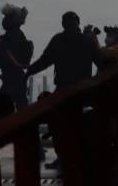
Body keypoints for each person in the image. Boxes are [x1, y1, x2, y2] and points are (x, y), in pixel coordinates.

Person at [27, 11, 98, 172]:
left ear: (63, 24)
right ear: (78, 23)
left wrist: (29, 71)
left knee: (59, 126)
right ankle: (78, 157)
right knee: (76, 126)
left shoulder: (58, 40)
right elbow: (100, 60)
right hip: (82, 91)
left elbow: (44, 61)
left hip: (64, 91)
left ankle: (63, 158)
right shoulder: (87, 41)